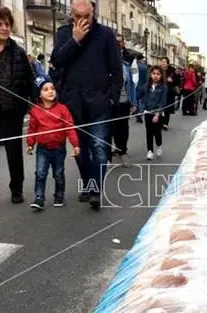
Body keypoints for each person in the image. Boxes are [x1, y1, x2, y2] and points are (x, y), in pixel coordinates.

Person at [50, 0, 123, 210]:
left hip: (100, 102)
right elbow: (56, 61)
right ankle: (88, 183)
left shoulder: (106, 35)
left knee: (99, 147)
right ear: (72, 15)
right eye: (78, 17)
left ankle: (94, 189)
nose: (83, 21)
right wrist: (75, 39)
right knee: (80, 149)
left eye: (87, 17)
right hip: (73, 103)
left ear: (93, 12)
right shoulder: (64, 33)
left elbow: (116, 70)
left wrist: (112, 98)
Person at [27, 76, 80, 210]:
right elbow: (32, 129)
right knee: (40, 173)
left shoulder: (63, 109)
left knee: (58, 173)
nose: (50, 91)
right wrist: (30, 143)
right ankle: (39, 198)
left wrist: (75, 145)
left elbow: (70, 128)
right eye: (45, 89)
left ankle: (59, 194)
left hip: (59, 148)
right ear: (39, 94)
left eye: (52, 88)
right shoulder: (35, 111)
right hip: (42, 149)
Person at [0, 6, 34, 204]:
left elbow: (29, 80)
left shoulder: (18, 52)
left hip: (12, 109)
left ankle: (16, 188)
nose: (4, 28)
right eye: (1, 24)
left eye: (7, 24)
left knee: (13, 150)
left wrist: (31, 104)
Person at [111, 37, 137, 168]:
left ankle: (122, 150)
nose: (118, 44)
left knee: (123, 127)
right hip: (111, 102)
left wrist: (133, 102)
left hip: (124, 101)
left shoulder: (127, 63)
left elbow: (132, 84)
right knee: (111, 127)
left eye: (120, 41)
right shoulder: (105, 63)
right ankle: (108, 153)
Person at [139, 66, 168, 161]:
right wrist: (141, 108)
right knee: (149, 132)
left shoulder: (163, 87)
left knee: (157, 132)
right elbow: (140, 97)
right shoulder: (145, 86)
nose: (155, 76)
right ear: (150, 74)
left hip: (158, 113)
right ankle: (150, 151)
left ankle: (159, 146)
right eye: (154, 73)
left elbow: (162, 102)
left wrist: (157, 114)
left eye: (158, 74)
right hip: (147, 112)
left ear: (161, 76)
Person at [160, 57, 177, 130]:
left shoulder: (172, 71)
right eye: (162, 61)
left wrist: (172, 80)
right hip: (159, 92)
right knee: (160, 108)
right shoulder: (158, 70)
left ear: (167, 63)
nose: (163, 63)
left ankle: (165, 123)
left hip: (169, 92)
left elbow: (178, 82)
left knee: (167, 109)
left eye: (165, 62)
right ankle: (160, 123)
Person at [135, 54, 148, 123]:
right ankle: (140, 114)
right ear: (141, 59)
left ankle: (137, 113)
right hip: (143, 85)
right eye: (143, 59)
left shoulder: (134, 66)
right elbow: (146, 78)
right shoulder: (144, 67)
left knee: (136, 101)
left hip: (136, 86)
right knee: (142, 101)